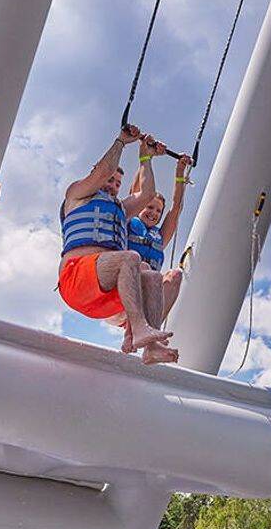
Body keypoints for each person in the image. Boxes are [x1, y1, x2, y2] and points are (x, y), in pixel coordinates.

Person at [58, 125, 178, 364]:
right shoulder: (77, 195)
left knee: (150, 273)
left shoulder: (121, 210)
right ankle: (140, 328)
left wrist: (146, 158)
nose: (112, 186)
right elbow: (102, 172)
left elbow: (147, 194)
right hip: (77, 281)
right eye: (110, 180)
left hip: (104, 295)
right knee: (130, 257)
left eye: (117, 184)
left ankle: (150, 346)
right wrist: (121, 141)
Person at [123, 152, 192, 325]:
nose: (153, 213)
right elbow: (136, 192)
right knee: (143, 267)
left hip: (147, 296)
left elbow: (176, 208)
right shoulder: (129, 221)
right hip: (124, 288)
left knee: (175, 275)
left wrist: (180, 171)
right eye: (149, 207)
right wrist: (147, 157)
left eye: (158, 211)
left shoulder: (160, 236)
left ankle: (152, 328)